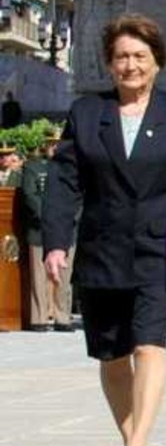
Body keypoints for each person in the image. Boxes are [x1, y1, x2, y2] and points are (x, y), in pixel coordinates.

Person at [42, 16, 166, 446]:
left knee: (151, 343)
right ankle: (134, 441)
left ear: (157, 63)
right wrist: (54, 243)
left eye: (139, 57)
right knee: (113, 356)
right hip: (102, 252)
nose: (130, 66)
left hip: (158, 250)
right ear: (109, 65)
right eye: (121, 58)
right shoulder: (88, 113)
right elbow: (65, 184)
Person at [22, 130, 71, 331]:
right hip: (40, 229)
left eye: (59, 143)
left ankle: (62, 317)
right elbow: (30, 194)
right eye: (52, 144)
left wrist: (67, 220)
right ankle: (39, 317)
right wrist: (49, 219)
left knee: (64, 277)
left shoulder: (71, 168)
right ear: (46, 145)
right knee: (39, 276)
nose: (55, 147)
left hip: (66, 230)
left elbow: (79, 197)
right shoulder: (34, 167)